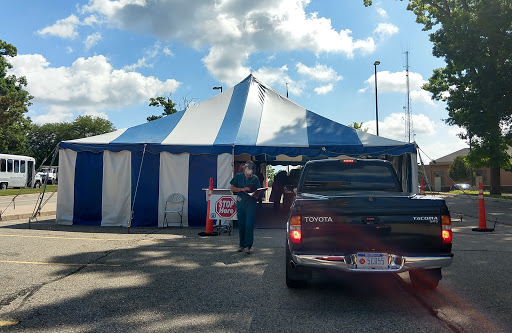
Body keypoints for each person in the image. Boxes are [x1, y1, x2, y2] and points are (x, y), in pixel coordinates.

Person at [230, 161, 261, 254]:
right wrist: (242, 189)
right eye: (249, 169)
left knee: (249, 224)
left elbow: (258, 190)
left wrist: (256, 195)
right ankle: (241, 244)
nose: (250, 171)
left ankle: (248, 245)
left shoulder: (255, 178)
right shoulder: (238, 176)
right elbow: (232, 188)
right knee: (241, 224)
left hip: (251, 203)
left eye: (252, 169)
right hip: (241, 202)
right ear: (245, 168)